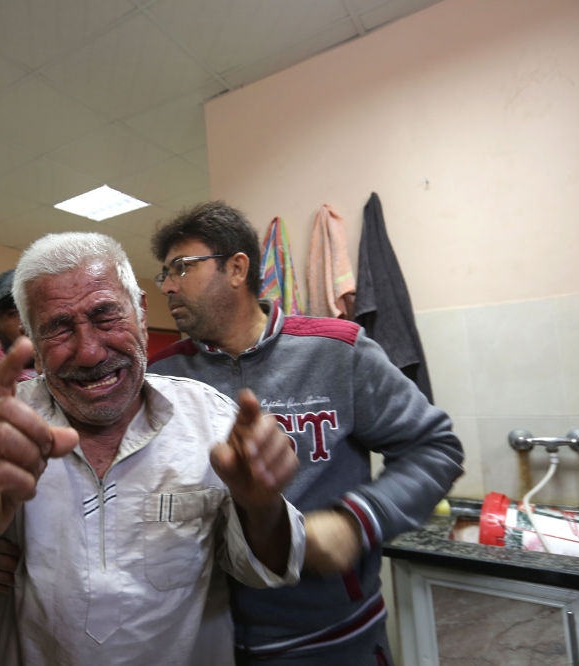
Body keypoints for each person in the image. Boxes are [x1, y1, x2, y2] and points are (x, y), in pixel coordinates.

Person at [0, 232, 307, 666]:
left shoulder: (212, 420)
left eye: (105, 315)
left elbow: (270, 569)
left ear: (140, 310)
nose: (88, 352)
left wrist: (261, 505)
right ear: (32, 343)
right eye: (59, 328)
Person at [147, 202, 464, 665]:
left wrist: (356, 520)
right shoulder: (161, 376)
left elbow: (436, 448)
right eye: (165, 273)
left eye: (182, 268)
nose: (169, 285)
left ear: (237, 268)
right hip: (204, 640)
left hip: (334, 638)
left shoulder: (336, 350)